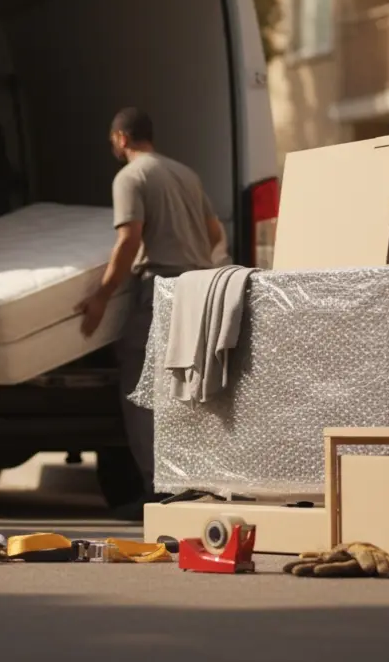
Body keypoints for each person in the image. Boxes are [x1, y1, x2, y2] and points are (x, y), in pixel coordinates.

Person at [78, 108, 225, 521]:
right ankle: (192, 482)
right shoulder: (185, 174)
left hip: (160, 289)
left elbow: (129, 240)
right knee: (186, 388)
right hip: (197, 289)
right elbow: (214, 233)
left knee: (142, 388)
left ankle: (157, 489)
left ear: (122, 138)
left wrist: (102, 296)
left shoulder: (131, 177)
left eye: (113, 141)